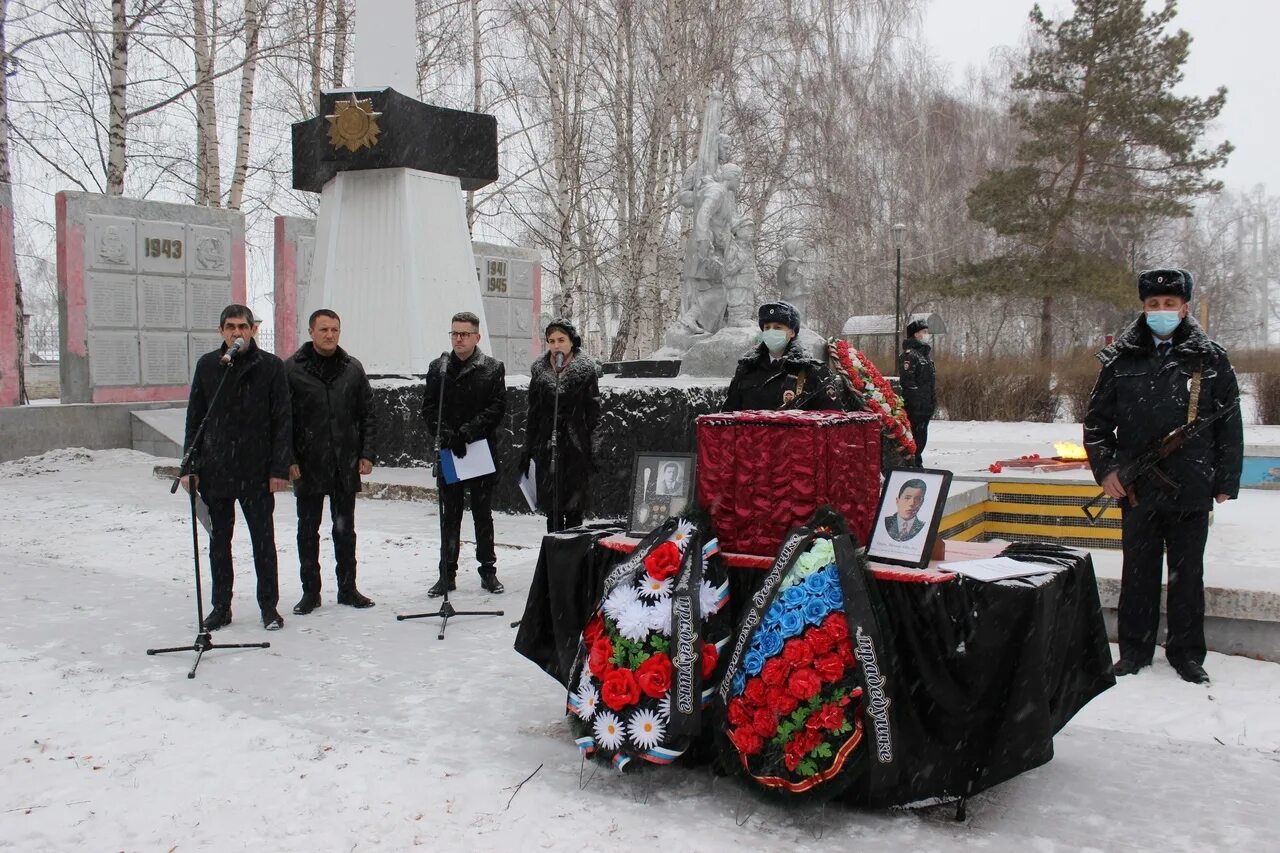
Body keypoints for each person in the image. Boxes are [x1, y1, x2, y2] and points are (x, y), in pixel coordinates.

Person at [1083, 268, 1243, 685]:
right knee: (1137, 570)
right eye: (1153, 305)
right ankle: (1134, 650)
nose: (1161, 311)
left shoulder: (1209, 357)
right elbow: (1097, 423)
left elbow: (1230, 423)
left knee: (1188, 575)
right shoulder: (1122, 357)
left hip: (1191, 482)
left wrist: (1226, 480)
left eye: (1169, 304)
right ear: (1144, 307)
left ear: (1184, 307)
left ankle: (1187, 654)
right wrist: (1107, 471)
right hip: (1137, 487)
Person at [182, 304, 292, 632]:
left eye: (243, 326)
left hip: (257, 471)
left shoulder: (271, 367)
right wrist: (190, 465)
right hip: (218, 471)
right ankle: (221, 606)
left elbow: (283, 420)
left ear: (253, 330)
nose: (237, 333)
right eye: (230, 327)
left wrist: (279, 469)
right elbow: (195, 419)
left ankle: (269, 607)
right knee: (219, 542)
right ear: (221, 331)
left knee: (263, 541)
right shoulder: (208, 366)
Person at [285, 309, 377, 615]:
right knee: (307, 531)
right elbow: (284, 421)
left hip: (344, 463)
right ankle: (310, 592)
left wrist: (366, 453)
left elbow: (368, 414)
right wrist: (288, 459)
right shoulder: (293, 370)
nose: (330, 335)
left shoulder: (352, 369)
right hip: (308, 465)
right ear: (311, 331)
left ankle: (348, 588)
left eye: (335, 329)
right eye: (323, 329)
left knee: (344, 530)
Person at [422, 311, 507, 596]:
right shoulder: (439, 368)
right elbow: (430, 408)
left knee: (483, 515)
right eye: (454, 333)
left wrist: (468, 433)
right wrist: (446, 434)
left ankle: (488, 570)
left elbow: (496, 408)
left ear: (476, 337)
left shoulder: (493, 368)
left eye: (464, 334)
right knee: (450, 515)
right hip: (449, 452)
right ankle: (446, 573)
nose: (458, 339)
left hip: (479, 450)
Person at [519, 319, 601, 533]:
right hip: (548, 448)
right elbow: (533, 412)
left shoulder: (585, 370)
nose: (556, 346)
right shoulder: (539, 370)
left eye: (561, 340)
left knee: (574, 511)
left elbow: (593, 413)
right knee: (553, 511)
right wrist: (528, 449)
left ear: (572, 342)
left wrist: (593, 451)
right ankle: (554, 560)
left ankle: (573, 562)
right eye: (551, 341)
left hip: (575, 449)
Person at [722, 301, 840, 412]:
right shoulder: (746, 368)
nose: (771, 332)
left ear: (792, 332)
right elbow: (728, 416)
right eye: (767, 327)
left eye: (778, 327)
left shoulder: (813, 371)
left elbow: (830, 418)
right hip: (750, 433)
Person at [897, 318, 936, 466]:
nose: (926, 334)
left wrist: (931, 401)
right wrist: (916, 403)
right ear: (915, 334)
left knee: (921, 437)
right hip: (916, 406)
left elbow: (929, 382)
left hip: (926, 404)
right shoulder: (910, 355)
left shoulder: (924, 354)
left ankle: (917, 462)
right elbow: (908, 382)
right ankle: (913, 463)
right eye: (924, 332)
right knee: (915, 437)